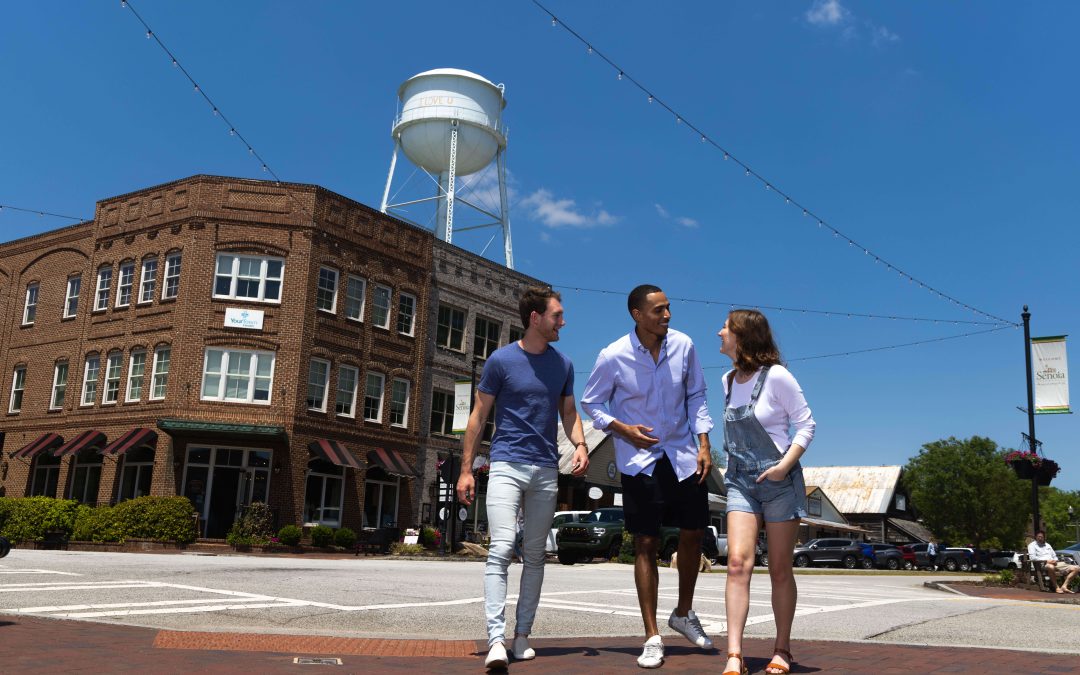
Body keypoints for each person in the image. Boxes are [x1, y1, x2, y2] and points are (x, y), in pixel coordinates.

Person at [457, 286, 590, 669]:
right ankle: (496, 640)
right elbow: (478, 417)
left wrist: (579, 444)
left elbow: (568, 412)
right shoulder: (500, 361)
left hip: (546, 469)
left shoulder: (563, 364)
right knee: (500, 549)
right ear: (536, 318)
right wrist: (466, 470)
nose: (563, 321)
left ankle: (522, 637)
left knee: (535, 556)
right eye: (557, 315)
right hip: (506, 464)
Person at [581, 284, 714, 669]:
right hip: (639, 460)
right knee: (645, 542)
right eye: (659, 311)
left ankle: (683, 614)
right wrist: (623, 429)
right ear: (638, 315)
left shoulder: (685, 346)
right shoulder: (613, 355)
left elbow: (697, 396)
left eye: (669, 308)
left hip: (684, 455)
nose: (667, 316)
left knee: (693, 533)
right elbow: (592, 402)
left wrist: (704, 443)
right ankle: (652, 635)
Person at [717, 309, 815, 675]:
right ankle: (734, 656)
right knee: (738, 564)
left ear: (743, 336)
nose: (719, 333)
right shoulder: (726, 381)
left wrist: (783, 467)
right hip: (740, 481)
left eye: (725, 328)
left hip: (778, 482)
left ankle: (782, 650)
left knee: (778, 569)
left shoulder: (778, 377)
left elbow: (807, 425)